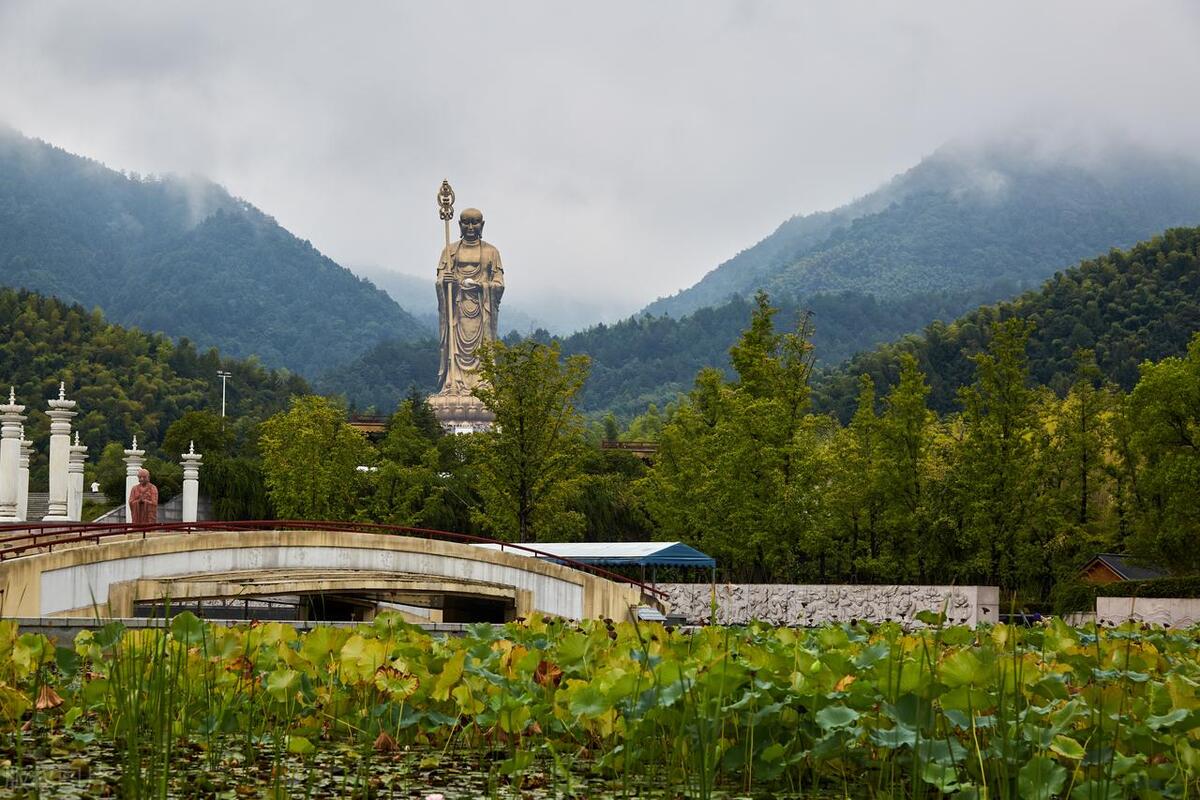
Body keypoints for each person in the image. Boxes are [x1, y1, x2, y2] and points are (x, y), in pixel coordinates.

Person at [435, 208, 504, 396]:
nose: (471, 227)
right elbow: (440, 280)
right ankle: (453, 382)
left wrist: (481, 286)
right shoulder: (449, 252)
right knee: (455, 349)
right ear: (459, 225)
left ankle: (483, 382)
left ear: (482, 225)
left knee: (482, 350)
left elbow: (499, 285)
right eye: (466, 222)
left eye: (475, 222)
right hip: (456, 312)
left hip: (481, 312)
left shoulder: (491, 252)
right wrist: (446, 283)